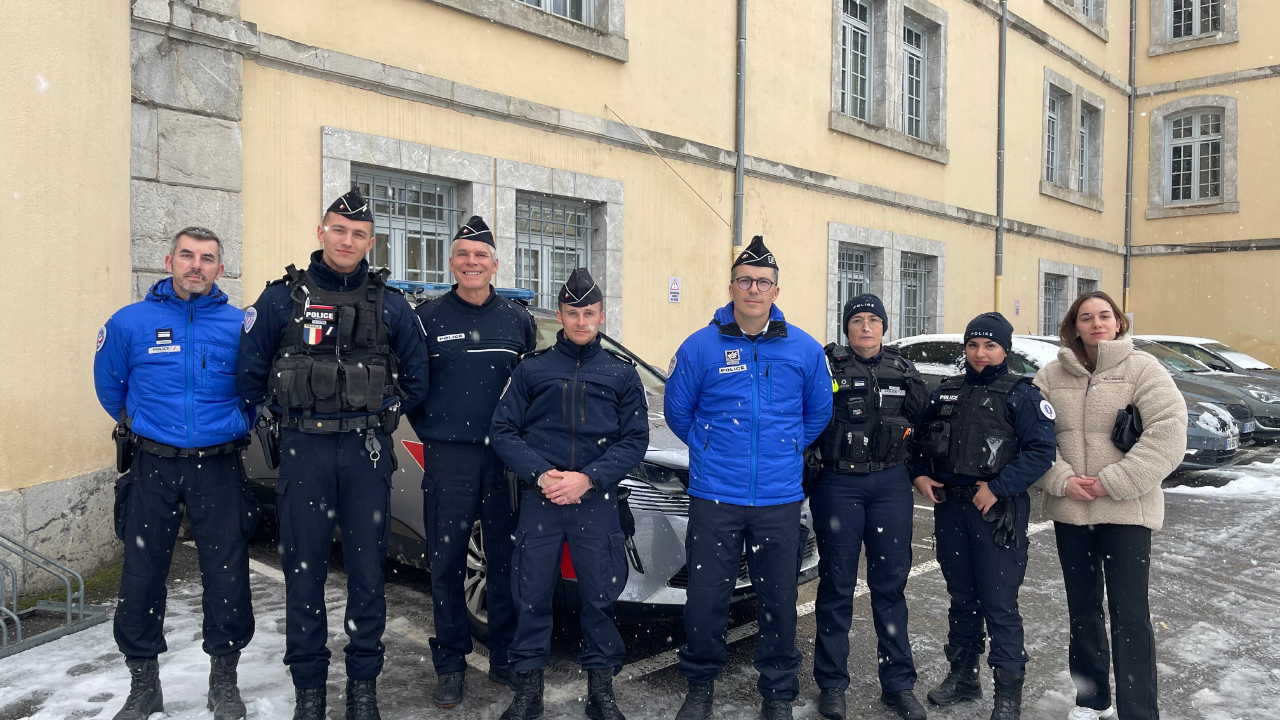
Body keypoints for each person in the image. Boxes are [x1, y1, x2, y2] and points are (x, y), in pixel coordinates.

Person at [237, 188, 429, 720]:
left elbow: (418, 378)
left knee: (368, 573)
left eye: (359, 234)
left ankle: (363, 687)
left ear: (371, 242)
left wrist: (379, 413)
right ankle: (310, 691)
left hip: (366, 455)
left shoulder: (390, 304)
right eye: (339, 230)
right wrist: (281, 420)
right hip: (304, 454)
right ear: (321, 233)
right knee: (304, 573)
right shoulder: (281, 299)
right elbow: (248, 374)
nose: (348, 241)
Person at [664, 236, 833, 720]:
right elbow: (679, 412)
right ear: (732, 286)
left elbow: (818, 412)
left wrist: (785, 447)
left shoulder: (802, 349)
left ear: (776, 291)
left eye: (763, 282)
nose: (753, 289)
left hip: (778, 498)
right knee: (706, 598)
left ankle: (778, 692)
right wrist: (711, 446)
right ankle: (700, 686)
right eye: (745, 280)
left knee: (778, 600)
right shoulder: (700, 346)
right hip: (716, 494)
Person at [94, 227, 255, 720]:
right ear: (169, 261)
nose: (196, 266)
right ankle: (144, 686)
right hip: (153, 465)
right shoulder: (129, 322)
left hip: (220, 466)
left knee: (227, 576)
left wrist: (230, 427)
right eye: (187, 255)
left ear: (219, 269)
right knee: (142, 575)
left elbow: (256, 389)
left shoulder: (238, 326)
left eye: (207, 258)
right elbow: (110, 388)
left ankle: (223, 682)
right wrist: (152, 429)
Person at [489, 267, 649, 720]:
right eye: (573, 312)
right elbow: (502, 431)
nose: (582, 320)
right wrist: (542, 475)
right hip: (541, 500)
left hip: (595, 502)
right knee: (531, 596)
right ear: (560, 314)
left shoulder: (620, 375)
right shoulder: (533, 369)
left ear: (601, 315)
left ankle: (601, 692)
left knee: (599, 598)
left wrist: (589, 477)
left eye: (590, 312)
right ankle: (529, 691)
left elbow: (635, 439)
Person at [1033, 292, 1186, 720]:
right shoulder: (1049, 376)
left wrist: (1111, 482)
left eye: (1105, 315)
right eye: (1087, 317)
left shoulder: (1144, 370)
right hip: (1071, 513)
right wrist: (1061, 479)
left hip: (1126, 511)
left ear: (1118, 323)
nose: (1097, 323)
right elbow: (1032, 439)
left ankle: (1138, 710)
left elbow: (1168, 435)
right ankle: (1091, 699)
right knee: (1082, 611)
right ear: (1074, 326)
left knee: (1130, 613)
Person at [408, 215, 537, 707]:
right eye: (463, 254)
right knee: (445, 563)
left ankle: (503, 654)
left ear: (494, 264)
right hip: (449, 458)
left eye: (480, 255)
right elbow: (413, 388)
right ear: (452, 262)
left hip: (503, 460)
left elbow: (531, 388)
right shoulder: (428, 318)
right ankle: (450, 663)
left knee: (505, 561)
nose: (471, 262)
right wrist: (437, 433)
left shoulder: (517, 320)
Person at [911, 312, 1056, 720]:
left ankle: (1007, 696)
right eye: (973, 345)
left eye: (989, 345)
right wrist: (920, 475)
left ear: (1004, 350)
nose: (980, 353)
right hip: (951, 511)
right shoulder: (946, 391)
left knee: (999, 604)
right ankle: (963, 677)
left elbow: (1041, 453)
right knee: (962, 599)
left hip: (997, 513)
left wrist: (998, 488)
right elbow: (918, 443)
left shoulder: (1023, 396)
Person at [811, 294, 930, 720]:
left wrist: (918, 472)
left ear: (884, 327)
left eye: (873, 320)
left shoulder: (903, 370)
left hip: (890, 484)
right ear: (846, 327)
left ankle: (898, 684)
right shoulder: (826, 367)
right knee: (837, 585)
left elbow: (921, 427)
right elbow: (805, 418)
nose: (865, 327)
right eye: (857, 320)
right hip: (839, 483)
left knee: (890, 587)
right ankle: (831, 683)